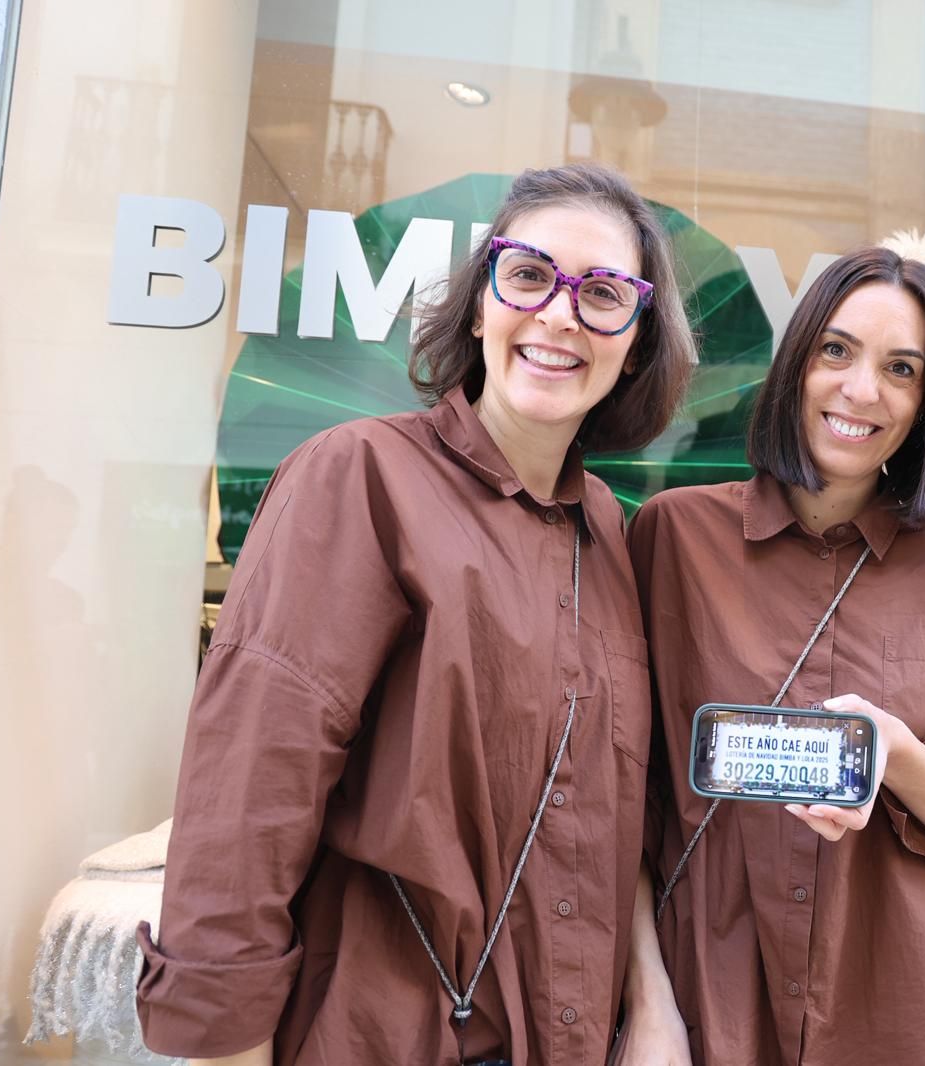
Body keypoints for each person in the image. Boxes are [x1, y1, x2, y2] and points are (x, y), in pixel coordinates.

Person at [135, 163, 694, 1066]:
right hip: (381, 1029)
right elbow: (251, 786)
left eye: (601, 293)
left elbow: (607, 802)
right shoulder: (357, 476)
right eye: (527, 275)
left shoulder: (610, 533)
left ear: (635, 340)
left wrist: (653, 1004)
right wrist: (221, 1042)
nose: (558, 314)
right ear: (480, 306)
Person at [614, 246, 925, 1066]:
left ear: (924, 404)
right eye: (837, 351)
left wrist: (895, 750)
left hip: (914, 1012)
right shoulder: (672, 539)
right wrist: (649, 1007)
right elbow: (615, 796)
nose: (861, 390)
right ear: (796, 363)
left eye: (901, 369)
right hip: (713, 1001)